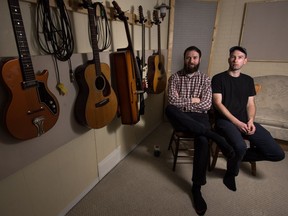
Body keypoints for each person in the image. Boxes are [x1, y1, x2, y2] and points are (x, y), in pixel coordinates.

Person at [165, 46, 234, 215]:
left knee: (202, 140)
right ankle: (213, 135)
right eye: (188, 58)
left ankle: (197, 188)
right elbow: (173, 101)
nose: (191, 61)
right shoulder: (174, 78)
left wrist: (187, 101)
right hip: (180, 117)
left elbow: (206, 104)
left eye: (195, 57)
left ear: (199, 59)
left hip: (199, 117)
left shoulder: (205, 79)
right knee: (169, 109)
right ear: (184, 58)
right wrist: (193, 100)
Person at [211, 46, 285, 192]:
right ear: (228, 59)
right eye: (233, 56)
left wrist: (250, 120)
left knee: (277, 153)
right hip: (225, 121)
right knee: (240, 147)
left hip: (245, 121)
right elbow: (217, 103)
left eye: (239, 57)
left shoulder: (248, 80)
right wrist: (237, 123)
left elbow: (251, 103)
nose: (235, 60)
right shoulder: (218, 78)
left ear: (245, 61)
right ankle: (230, 174)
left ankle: (235, 156)